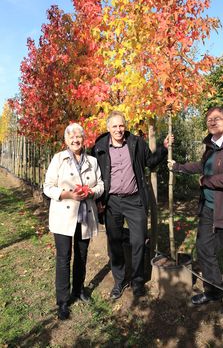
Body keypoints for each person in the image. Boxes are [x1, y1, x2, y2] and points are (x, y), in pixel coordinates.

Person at [168, 107, 223, 317]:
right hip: (209, 208)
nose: (213, 122)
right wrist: (179, 167)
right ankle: (213, 290)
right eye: (209, 119)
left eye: (217, 118)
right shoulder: (211, 144)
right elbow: (203, 166)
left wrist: (206, 181)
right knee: (204, 249)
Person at [92, 110, 172, 299]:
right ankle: (119, 281)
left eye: (121, 125)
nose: (119, 129)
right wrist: (98, 201)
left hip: (134, 200)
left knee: (138, 241)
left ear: (125, 126)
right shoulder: (99, 147)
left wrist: (164, 148)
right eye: (115, 126)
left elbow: (150, 162)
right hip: (111, 202)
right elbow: (94, 176)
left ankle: (137, 282)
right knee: (115, 243)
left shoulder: (136, 143)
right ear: (108, 128)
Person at [44, 123, 104, 320]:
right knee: (63, 257)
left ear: (83, 139)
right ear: (66, 141)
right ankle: (62, 300)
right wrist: (67, 194)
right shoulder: (58, 159)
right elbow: (48, 187)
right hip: (64, 215)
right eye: (71, 138)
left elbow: (100, 184)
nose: (75, 140)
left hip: (85, 215)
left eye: (78, 137)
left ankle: (78, 290)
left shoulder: (92, 161)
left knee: (81, 255)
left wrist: (91, 192)